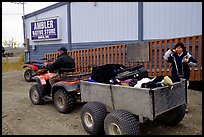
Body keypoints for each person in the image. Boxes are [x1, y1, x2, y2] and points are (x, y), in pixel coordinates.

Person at [163, 42, 197, 113]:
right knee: (175, 91)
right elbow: (165, 58)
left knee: (184, 92)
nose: (178, 49)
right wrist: (170, 50)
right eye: (177, 48)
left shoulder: (186, 55)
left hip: (184, 77)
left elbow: (195, 63)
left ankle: (184, 107)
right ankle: (176, 107)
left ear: (182, 48)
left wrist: (188, 62)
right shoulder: (173, 56)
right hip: (175, 76)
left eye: (180, 48)